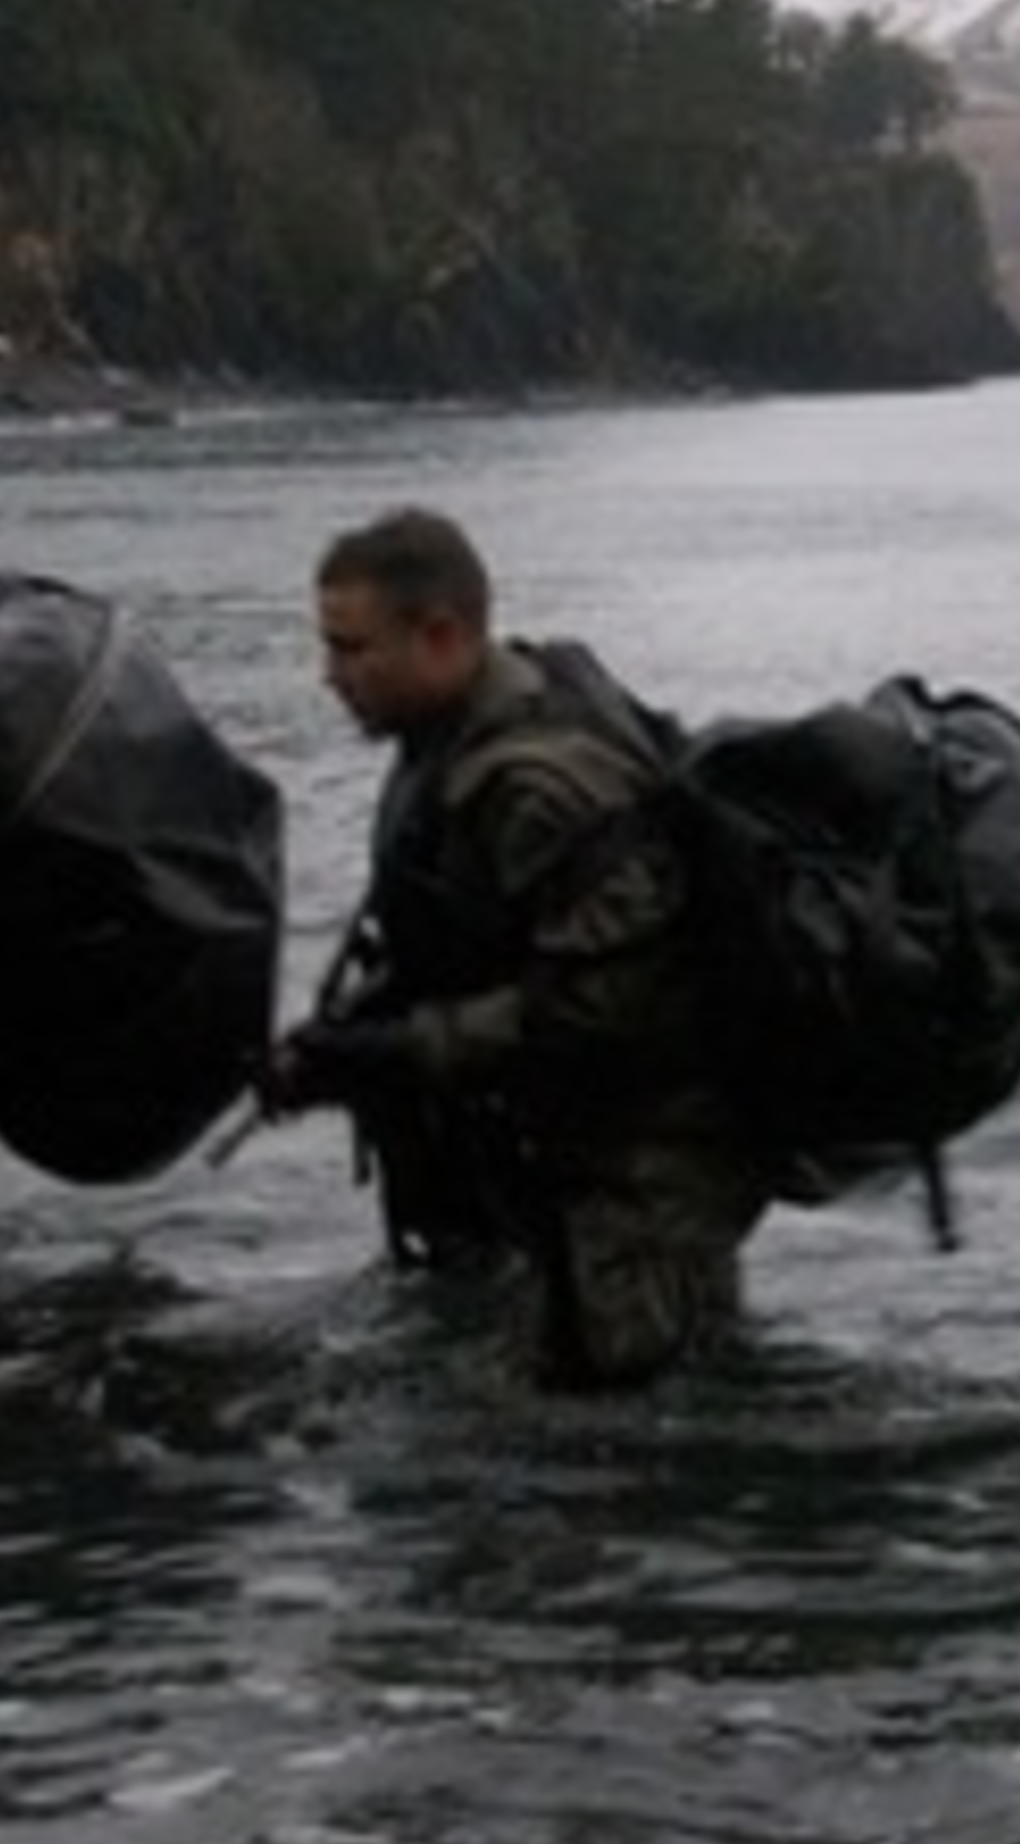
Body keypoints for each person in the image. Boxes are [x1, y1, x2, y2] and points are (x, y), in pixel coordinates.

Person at [263, 507, 771, 1392]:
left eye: (352, 649)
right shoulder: (450, 743)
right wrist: (346, 1041)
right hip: (548, 1168)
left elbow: (612, 1007)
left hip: (639, 1183)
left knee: (630, 1428)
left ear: (442, 635)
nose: (330, 677)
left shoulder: (544, 783)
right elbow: (469, 938)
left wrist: (395, 1051)